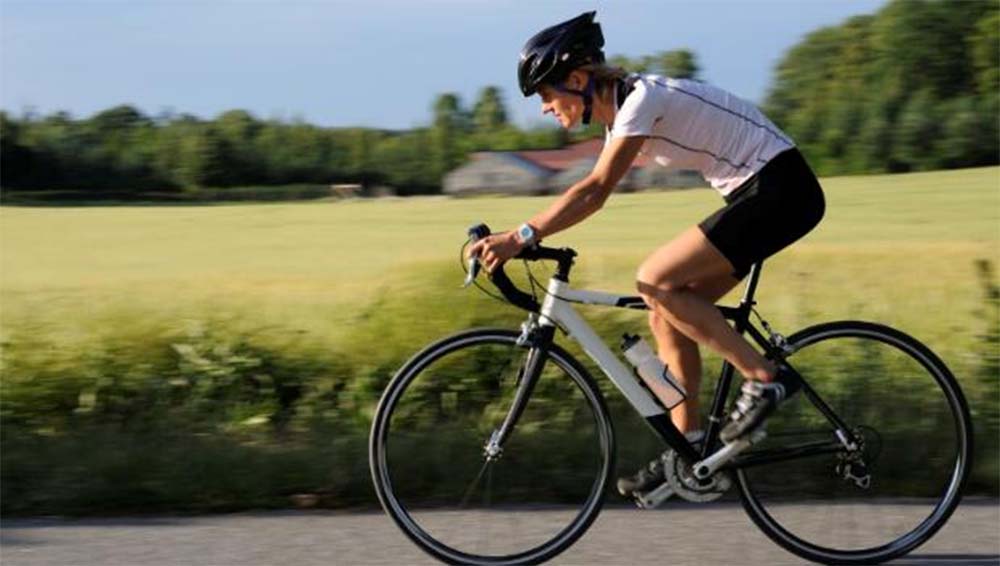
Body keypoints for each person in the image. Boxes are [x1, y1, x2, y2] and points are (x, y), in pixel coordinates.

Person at [467, 11, 825, 497]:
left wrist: (519, 236)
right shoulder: (622, 121)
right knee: (666, 314)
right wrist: (523, 236)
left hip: (780, 189)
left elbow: (594, 191)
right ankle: (690, 450)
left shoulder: (641, 101)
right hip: (758, 194)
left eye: (546, 95)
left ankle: (764, 378)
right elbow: (591, 194)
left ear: (577, 80)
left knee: (654, 280)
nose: (545, 108)